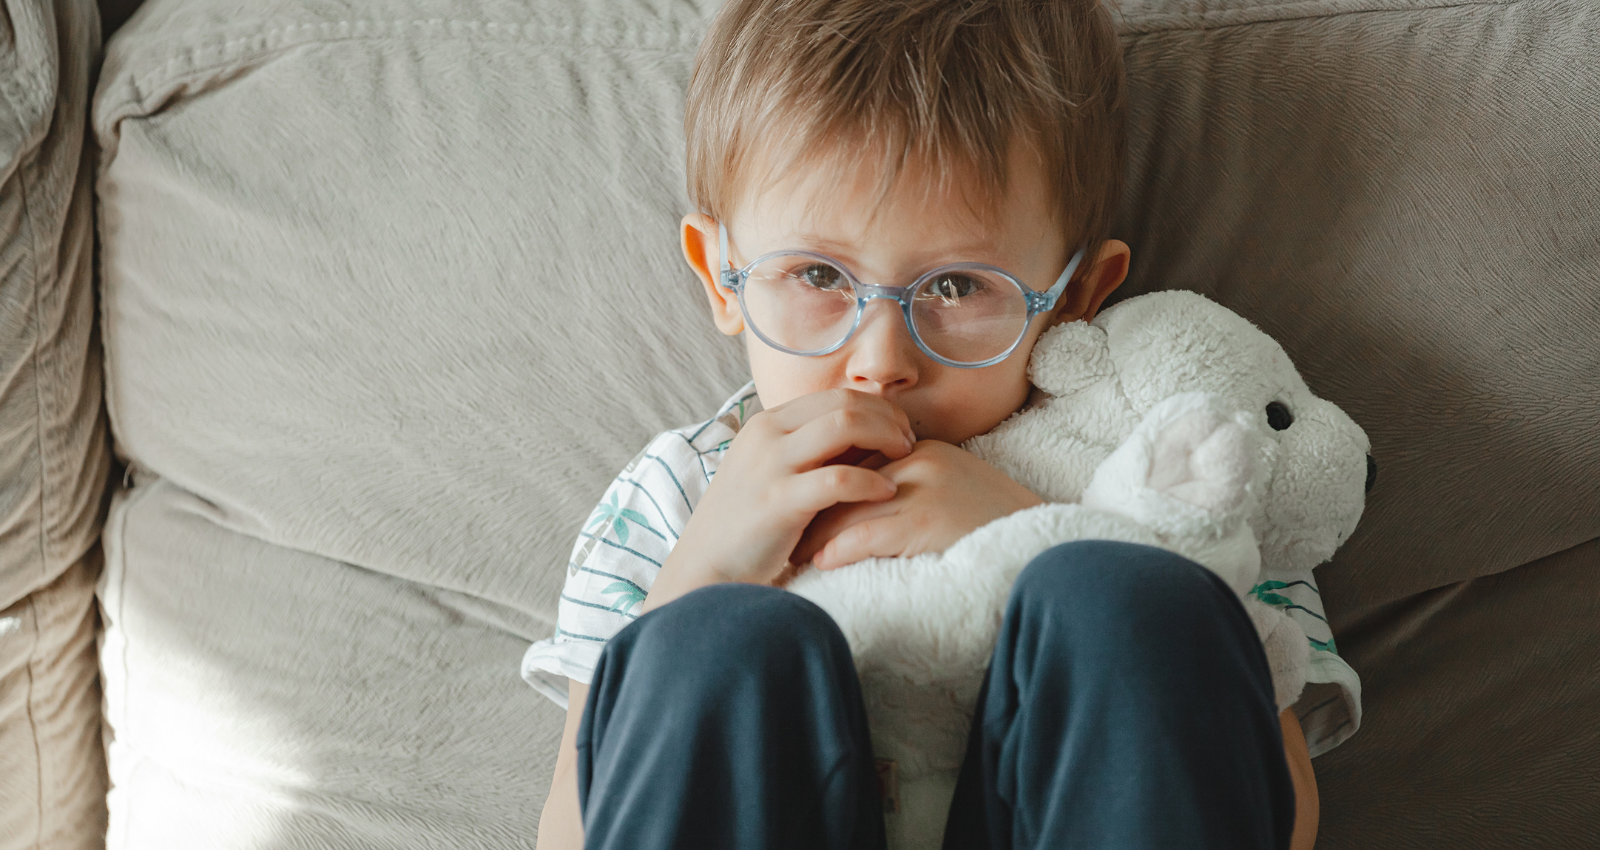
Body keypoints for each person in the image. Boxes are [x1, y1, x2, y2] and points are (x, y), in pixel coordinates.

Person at [523, 0, 1319, 847]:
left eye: (956, 287)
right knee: (710, 641)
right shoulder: (678, 494)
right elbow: (576, 829)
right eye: (818, 273)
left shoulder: (1179, 467)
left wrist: (1043, 532)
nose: (880, 360)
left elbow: (1284, 815)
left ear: (1079, 296)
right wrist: (704, 570)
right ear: (723, 279)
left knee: (1132, 595)